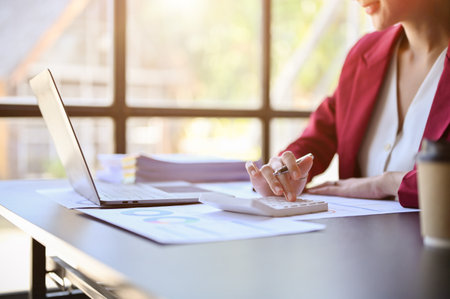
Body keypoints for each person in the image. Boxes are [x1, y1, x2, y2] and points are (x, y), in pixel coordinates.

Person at [246, 0, 450, 208]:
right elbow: (320, 135)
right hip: (356, 238)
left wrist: (386, 184)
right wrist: (285, 169)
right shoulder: (365, 53)